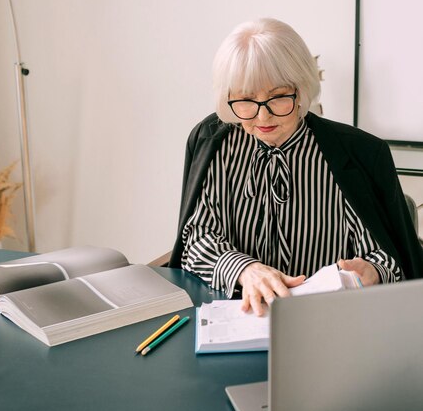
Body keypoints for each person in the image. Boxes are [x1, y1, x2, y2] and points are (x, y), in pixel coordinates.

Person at [169, 18, 423, 316]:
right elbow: (197, 239)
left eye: (278, 98)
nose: (263, 117)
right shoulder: (213, 142)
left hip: (327, 322)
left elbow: (391, 260)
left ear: (301, 90)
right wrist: (245, 269)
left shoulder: (358, 153)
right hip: (238, 318)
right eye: (247, 100)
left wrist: (373, 271)